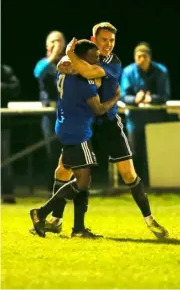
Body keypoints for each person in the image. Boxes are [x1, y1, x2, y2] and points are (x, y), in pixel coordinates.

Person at [31, 22, 169, 239]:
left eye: (112, 40)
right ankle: (57, 221)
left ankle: (150, 220)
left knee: (128, 174)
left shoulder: (113, 62)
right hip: (86, 125)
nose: (108, 45)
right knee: (65, 172)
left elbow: (84, 70)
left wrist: (71, 60)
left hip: (109, 123)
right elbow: (61, 66)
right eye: (104, 40)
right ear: (93, 40)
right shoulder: (85, 56)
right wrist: (70, 61)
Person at [29, 39, 120, 238]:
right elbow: (97, 109)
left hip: (65, 126)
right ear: (81, 57)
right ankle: (43, 213)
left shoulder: (66, 70)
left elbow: (67, 66)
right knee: (83, 181)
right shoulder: (82, 79)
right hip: (78, 131)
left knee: (64, 170)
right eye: (93, 57)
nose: (97, 60)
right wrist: (115, 98)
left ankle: (62, 222)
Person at [120, 42, 171, 185]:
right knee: (135, 153)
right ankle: (136, 184)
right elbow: (123, 95)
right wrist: (135, 99)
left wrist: (151, 98)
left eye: (144, 56)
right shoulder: (128, 71)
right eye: (138, 57)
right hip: (135, 121)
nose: (141, 60)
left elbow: (165, 95)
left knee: (155, 153)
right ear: (135, 57)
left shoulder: (161, 71)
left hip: (155, 119)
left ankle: (157, 183)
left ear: (150, 57)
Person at [33, 31, 66, 190]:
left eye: (59, 41)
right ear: (47, 45)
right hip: (50, 114)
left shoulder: (70, 62)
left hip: (69, 114)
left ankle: (72, 189)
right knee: (52, 152)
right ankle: (52, 188)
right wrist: (53, 56)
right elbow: (37, 73)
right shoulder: (43, 63)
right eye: (53, 41)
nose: (56, 44)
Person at [1, 64, 20, 203]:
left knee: (4, 161)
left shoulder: (5, 71)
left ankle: (7, 195)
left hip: (2, 124)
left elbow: (15, 89)